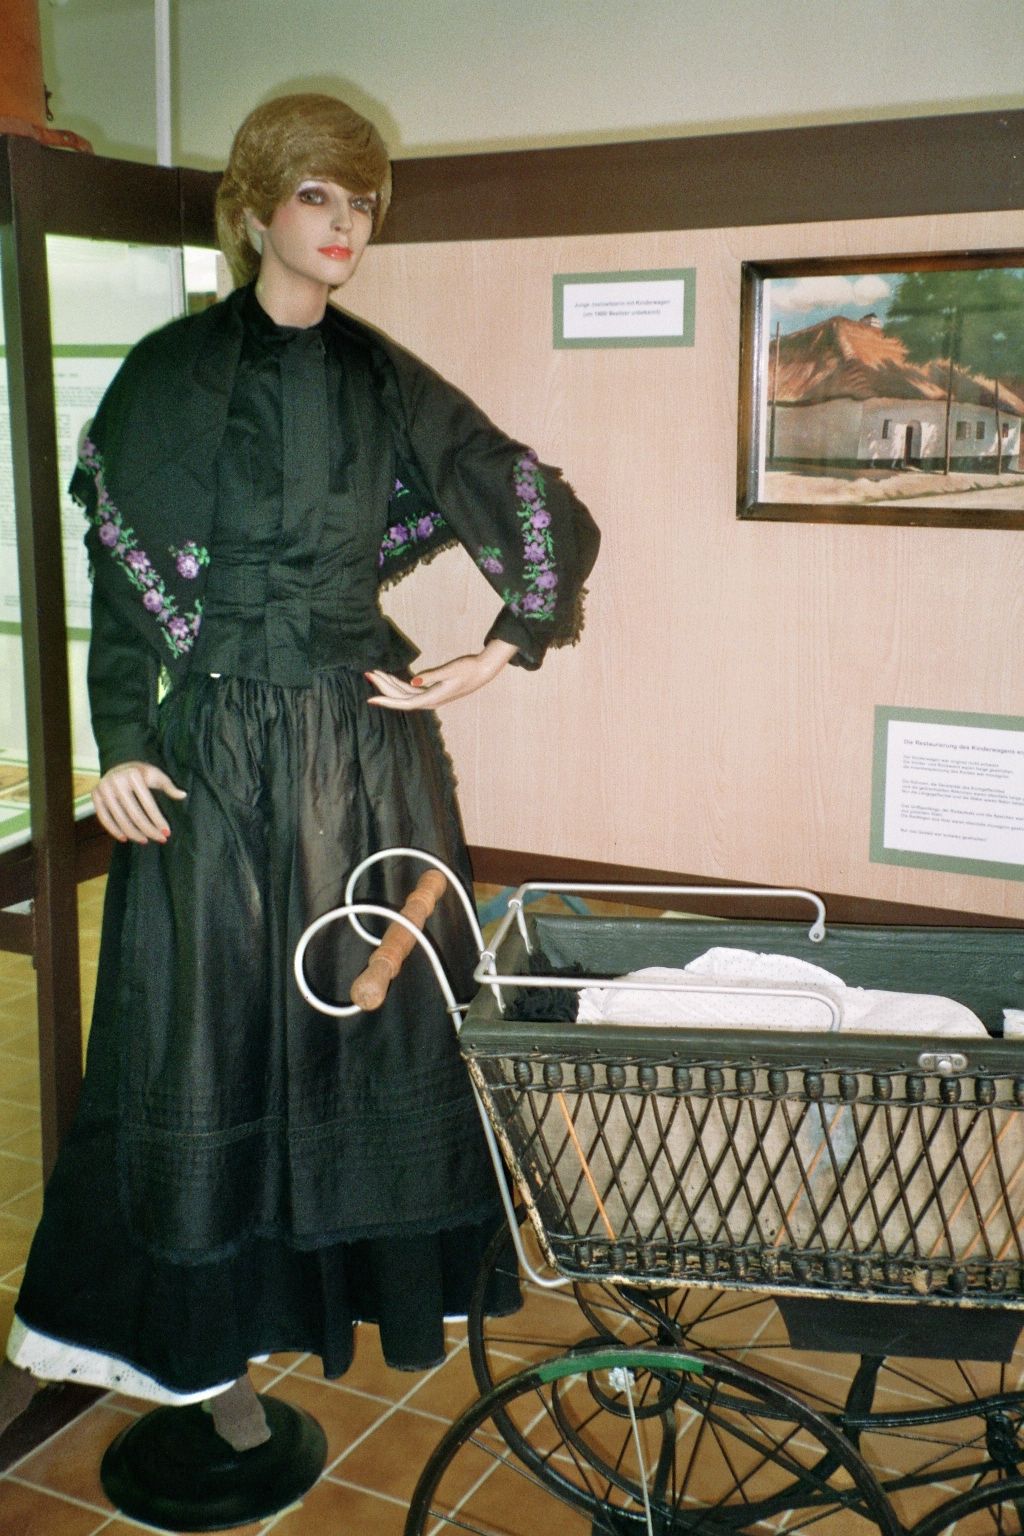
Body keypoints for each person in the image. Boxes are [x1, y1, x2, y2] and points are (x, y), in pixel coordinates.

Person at [0, 93, 598, 1450]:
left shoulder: (382, 378)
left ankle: (310, 1306)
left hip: (359, 753)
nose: (344, 226)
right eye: (319, 196)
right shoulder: (168, 371)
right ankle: (197, 1350)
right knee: (196, 1033)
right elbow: (119, 583)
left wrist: (502, 646)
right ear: (258, 207)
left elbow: (523, 497)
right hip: (213, 757)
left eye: (362, 203)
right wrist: (122, 739)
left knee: (351, 1025)